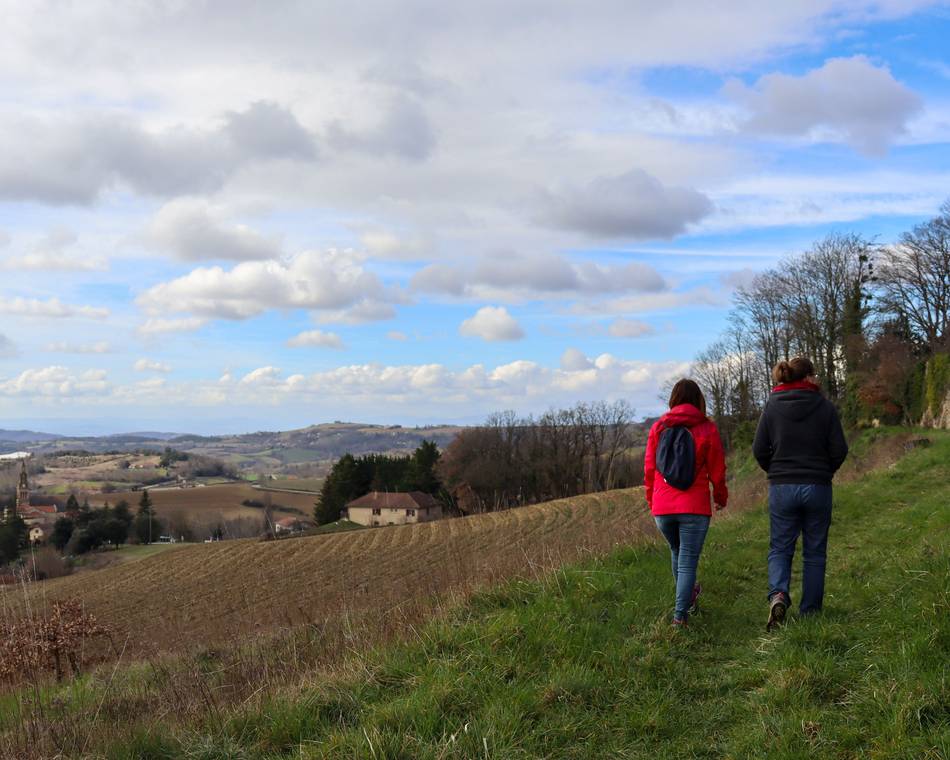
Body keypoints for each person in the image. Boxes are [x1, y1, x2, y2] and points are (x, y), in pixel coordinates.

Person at [753, 357, 848, 631]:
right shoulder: (825, 407)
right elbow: (839, 449)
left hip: (782, 488)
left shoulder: (771, 406)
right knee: (815, 552)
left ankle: (779, 594)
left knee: (781, 547)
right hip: (818, 486)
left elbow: (759, 449)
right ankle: (810, 612)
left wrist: (777, 471)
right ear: (808, 377)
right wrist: (824, 471)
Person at [644, 379, 728, 627]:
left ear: (673, 399)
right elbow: (718, 470)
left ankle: (688, 598)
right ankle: (680, 615)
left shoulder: (658, 427)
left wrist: (652, 500)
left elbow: (649, 470)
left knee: (677, 552)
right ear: (698, 400)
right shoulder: (706, 428)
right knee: (688, 558)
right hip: (694, 507)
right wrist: (720, 497)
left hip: (663, 507)